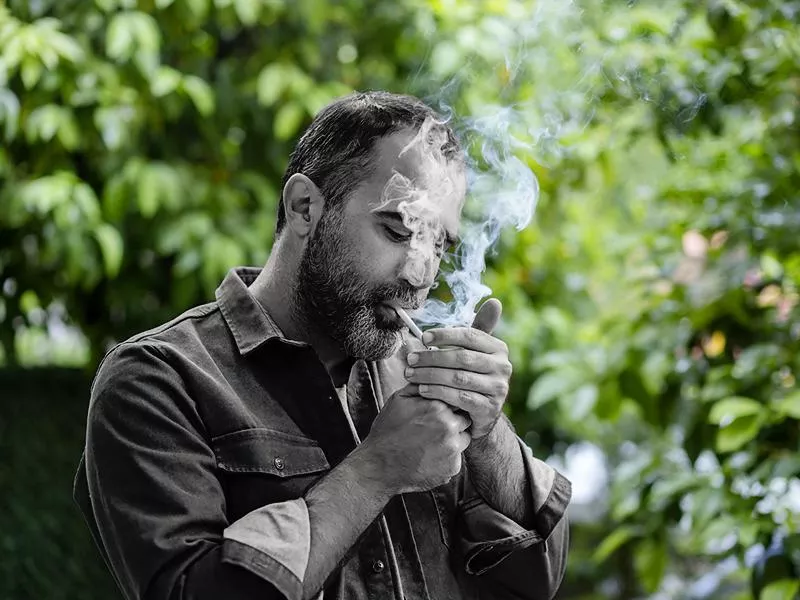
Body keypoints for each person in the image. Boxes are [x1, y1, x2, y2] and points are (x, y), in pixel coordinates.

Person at [74, 91, 571, 600]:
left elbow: (537, 580)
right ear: (305, 207)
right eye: (398, 229)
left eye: (438, 245)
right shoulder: (156, 380)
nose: (420, 275)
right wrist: (377, 469)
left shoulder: (423, 377)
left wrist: (488, 433)